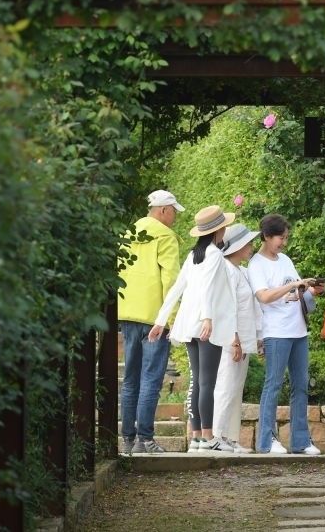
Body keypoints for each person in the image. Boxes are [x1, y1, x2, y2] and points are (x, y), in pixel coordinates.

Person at [148, 205, 237, 452]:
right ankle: (208, 437)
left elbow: (177, 288)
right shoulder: (215, 255)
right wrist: (208, 318)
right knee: (207, 383)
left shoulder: (193, 255)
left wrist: (160, 320)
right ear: (218, 230)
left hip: (189, 325)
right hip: (206, 325)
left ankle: (197, 437)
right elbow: (208, 287)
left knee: (198, 381)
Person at [247, 214, 325, 455]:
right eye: (281, 238)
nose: (284, 242)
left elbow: (296, 292)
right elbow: (264, 296)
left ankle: (301, 440)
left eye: (286, 238)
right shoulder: (256, 264)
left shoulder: (286, 260)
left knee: (300, 385)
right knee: (273, 384)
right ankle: (266, 440)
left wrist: (312, 290)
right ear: (266, 236)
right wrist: (292, 285)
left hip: (298, 330)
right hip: (276, 332)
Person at [117, 189, 184, 454]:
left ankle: (127, 439)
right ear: (163, 210)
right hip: (155, 318)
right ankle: (145, 439)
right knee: (151, 379)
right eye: (174, 212)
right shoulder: (165, 236)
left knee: (130, 379)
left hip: (127, 313)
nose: (175, 217)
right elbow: (171, 280)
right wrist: (172, 317)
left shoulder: (128, 233)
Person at [211, 223, 264, 453]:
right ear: (238, 245)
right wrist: (234, 340)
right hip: (231, 340)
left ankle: (230, 437)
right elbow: (226, 308)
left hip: (244, 339)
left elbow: (253, 307)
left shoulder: (241, 271)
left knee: (235, 388)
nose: (252, 247)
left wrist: (258, 337)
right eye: (249, 243)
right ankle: (215, 435)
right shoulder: (225, 270)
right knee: (225, 386)